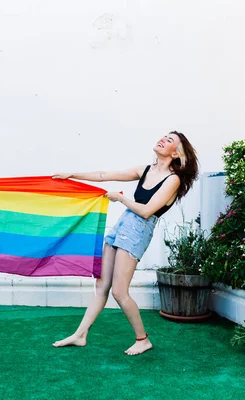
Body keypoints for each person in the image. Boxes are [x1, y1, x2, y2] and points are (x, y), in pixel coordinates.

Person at [52, 131, 198, 355]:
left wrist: (121, 198)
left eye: (170, 140)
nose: (162, 140)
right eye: (164, 136)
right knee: (102, 286)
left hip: (138, 230)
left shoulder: (173, 179)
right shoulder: (145, 170)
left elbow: (148, 211)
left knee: (120, 292)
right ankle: (80, 334)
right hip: (122, 225)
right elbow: (104, 175)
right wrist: (72, 174)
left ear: (177, 153)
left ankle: (143, 339)